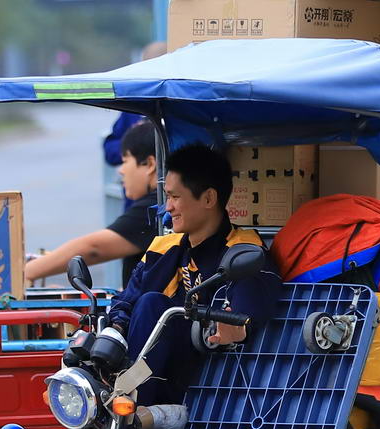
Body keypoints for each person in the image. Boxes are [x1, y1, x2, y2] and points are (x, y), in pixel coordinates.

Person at [83, 144, 278, 404]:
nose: (168, 207)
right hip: (148, 368)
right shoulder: (163, 247)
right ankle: (120, 399)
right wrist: (115, 327)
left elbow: (244, 317)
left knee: (153, 304)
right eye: (167, 197)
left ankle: (130, 409)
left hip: (209, 380)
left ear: (209, 199)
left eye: (175, 197)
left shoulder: (244, 252)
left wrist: (234, 329)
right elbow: (125, 302)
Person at [26, 119, 161, 287]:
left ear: (149, 164)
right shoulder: (161, 201)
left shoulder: (156, 207)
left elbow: (94, 248)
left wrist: (26, 272)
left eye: (125, 161)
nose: (121, 170)